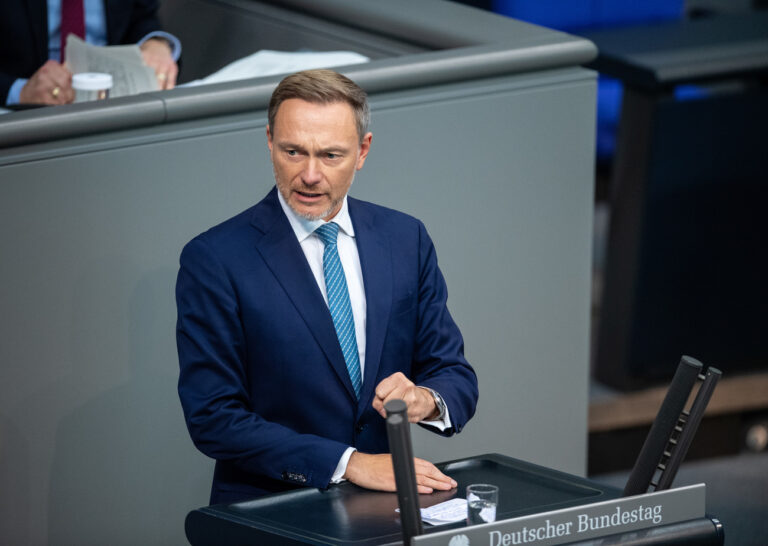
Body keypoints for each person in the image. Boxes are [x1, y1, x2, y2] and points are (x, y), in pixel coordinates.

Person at [176, 69, 479, 505]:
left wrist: (424, 399)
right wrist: (348, 462)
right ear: (268, 141)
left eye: (331, 155)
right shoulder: (216, 259)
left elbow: (454, 374)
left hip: (383, 509)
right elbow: (213, 416)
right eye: (293, 152)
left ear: (363, 151)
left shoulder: (404, 238)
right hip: (271, 509)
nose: (310, 175)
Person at [1, 0, 180, 106]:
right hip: (26, 119)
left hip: (113, 106)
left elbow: (142, 18)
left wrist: (155, 42)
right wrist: (19, 91)